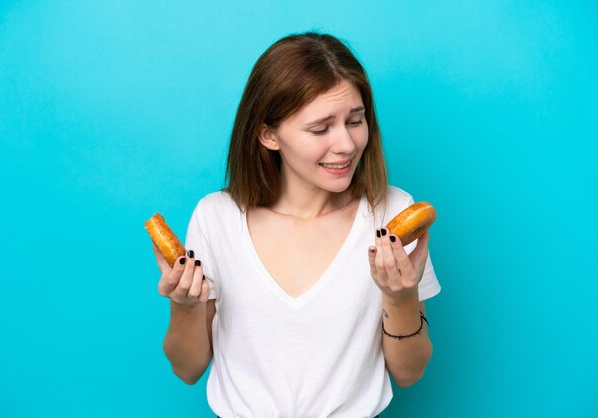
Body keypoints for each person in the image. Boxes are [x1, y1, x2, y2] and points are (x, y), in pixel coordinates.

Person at [151, 32, 441, 418]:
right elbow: (187, 370)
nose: (347, 145)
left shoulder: (390, 212)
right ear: (268, 134)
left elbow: (409, 372)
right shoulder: (216, 217)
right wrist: (184, 307)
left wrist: (402, 297)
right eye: (320, 129)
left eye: (356, 121)